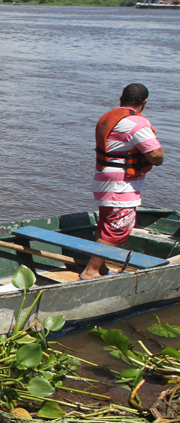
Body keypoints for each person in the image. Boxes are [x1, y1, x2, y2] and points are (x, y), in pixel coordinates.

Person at [81, 83, 165, 279]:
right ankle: (91, 271)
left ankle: (100, 268)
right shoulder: (137, 123)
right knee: (118, 228)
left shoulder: (108, 116)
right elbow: (156, 156)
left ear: (121, 99)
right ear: (144, 102)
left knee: (105, 225)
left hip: (103, 178)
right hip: (121, 184)